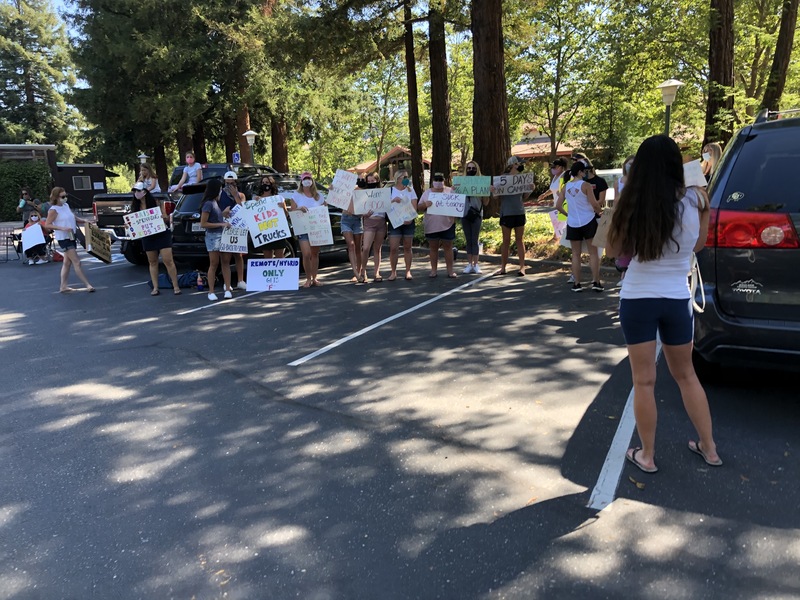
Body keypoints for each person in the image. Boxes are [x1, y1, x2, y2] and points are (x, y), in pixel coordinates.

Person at [607, 134, 720, 474]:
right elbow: (698, 246)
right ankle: (710, 448)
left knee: (644, 381)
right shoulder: (697, 200)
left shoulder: (632, 202)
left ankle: (647, 454)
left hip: (638, 296)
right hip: (676, 297)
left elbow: (615, 251)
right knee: (687, 375)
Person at [557, 162, 603, 292]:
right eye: (584, 172)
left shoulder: (566, 186)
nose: (586, 174)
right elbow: (594, 204)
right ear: (580, 172)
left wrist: (568, 214)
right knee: (593, 253)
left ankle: (577, 283)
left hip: (572, 222)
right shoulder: (586, 185)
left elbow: (558, 205)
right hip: (588, 220)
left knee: (575, 254)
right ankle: (596, 281)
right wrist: (601, 212)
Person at [130, 182, 181, 296]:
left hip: (162, 233)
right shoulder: (135, 207)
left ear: (144, 192)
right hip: (148, 235)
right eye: (135, 191)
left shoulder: (156, 203)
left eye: (138, 191)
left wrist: (164, 217)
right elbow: (133, 223)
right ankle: (155, 287)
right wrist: (129, 226)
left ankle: (176, 286)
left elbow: (166, 218)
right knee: (152, 262)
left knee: (168, 260)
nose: (136, 193)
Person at [43, 187, 95, 293]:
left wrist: (84, 221)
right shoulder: (53, 210)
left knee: (67, 262)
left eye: (66, 196)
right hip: (64, 238)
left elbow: (73, 217)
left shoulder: (65, 206)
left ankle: (63, 286)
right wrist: (62, 228)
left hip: (71, 235)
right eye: (62, 196)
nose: (65, 198)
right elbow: (47, 225)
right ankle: (87, 284)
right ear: (56, 197)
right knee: (76, 261)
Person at [289, 171, 326, 288]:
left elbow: (325, 208)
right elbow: (291, 212)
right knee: (306, 254)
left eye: (309, 178)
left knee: (315, 253)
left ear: (312, 181)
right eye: (305, 179)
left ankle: (314, 278)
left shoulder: (319, 196)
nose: (307, 181)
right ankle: (308, 278)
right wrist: (299, 209)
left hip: (316, 228)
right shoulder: (296, 195)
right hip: (303, 228)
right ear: (301, 181)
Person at [418, 172, 457, 278]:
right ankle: (433, 270)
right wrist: (425, 205)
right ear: (432, 181)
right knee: (433, 248)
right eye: (436, 180)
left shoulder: (450, 190)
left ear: (444, 180)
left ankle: (450, 271)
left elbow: (457, 204)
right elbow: (419, 207)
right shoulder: (427, 193)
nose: (438, 182)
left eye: (440, 180)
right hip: (432, 225)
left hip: (448, 224)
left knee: (448, 247)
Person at [199, 179, 233, 301]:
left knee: (225, 262)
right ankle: (211, 291)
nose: (221, 191)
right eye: (220, 189)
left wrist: (224, 215)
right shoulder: (208, 203)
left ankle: (228, 289)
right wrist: (221, 224)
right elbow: (203, 223)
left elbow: (216, 218)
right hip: (213, 236)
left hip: (222, 235)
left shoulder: (214, 203)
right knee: (214, 263)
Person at [497, 156, 530, 276]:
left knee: (519, 240)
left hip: (519, 211)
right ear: (512, 165)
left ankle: (522, 267)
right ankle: (503, 267)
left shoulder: (523, 179)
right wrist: (494, 189)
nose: (521, 166)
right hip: (506, 212)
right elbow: (496, 196)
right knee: (506, 240)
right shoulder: (502, 178)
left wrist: (530, 189)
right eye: (519, 164)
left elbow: (525, 197)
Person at [454, 161, 489, 274]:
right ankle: (469, 264)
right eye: (468, 168)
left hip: (477, 214)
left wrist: (487, 192)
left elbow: (486, 202)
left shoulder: (481, 182)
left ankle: (476, 264)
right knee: (468, 239)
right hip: (464, 214)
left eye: (473, 168)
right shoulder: (461, 181)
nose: (471, 170)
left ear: (477, 169)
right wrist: (454, 189)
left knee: (475, 239)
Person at [218, 171, 247, 290]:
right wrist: (222, 213)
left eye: (232, 183)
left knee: (238, 255)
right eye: (227, 183)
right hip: (225, 227)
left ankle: (240, 280)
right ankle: (227, 282)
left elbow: (243, 209)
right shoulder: (219, 194)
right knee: (225, 257)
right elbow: (215, 212)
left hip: (238, 227)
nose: (229, 185)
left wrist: (236, 196)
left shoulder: (241, 195)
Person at [387, 169, 417, 281]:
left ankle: (408, 271)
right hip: (395, 223)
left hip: (408, 222)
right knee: (393, 248)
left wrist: (410, 218)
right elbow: (385, 206)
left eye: (407, 177)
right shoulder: (390, 191)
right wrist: (393, 200)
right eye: (404, 177)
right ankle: (393, 272)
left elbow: (414, 206)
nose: (406, 179)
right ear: (398, 178)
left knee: (408, 247)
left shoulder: (411, 190)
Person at [359, 172, 387, 283]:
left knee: (377, 248)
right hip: (369, 222)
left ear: (377, 181)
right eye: (369, 181)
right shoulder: (363, 193)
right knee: (365, 248)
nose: (371, 183)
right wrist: (364, 214)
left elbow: (388, 206)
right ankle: (363, 271)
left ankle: (376, 272)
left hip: (381, 222)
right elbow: (359, 208)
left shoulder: (383, 193)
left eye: (373, 181)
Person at [337, 177, 365, 283]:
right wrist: (332, 189)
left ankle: (360, 271)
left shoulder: (362, 192)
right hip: (346, 219)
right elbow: (334, 196)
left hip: (357, 220)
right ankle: (356, 274)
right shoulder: (345, 190)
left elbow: (365, 207)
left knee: (358, 247)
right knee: (351, 245)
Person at [253, 175, 288, 259]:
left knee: (280, 257)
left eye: (267, 182)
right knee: (268, 259)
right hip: (265, 233)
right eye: (263, 183)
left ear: (271, 184)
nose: (265, 184)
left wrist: (282, 207)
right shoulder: (256, 199)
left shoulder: (279, 198)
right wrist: (255, 203)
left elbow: (286, 215)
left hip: (278, 232)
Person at [613, 156, 636, 276]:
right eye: (629, 163)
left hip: (635, 217)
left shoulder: (639, 181)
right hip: (622, 216)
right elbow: (615, 200)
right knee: (624, 244)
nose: (630, 166)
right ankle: (623, 272)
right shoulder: (618, 181)